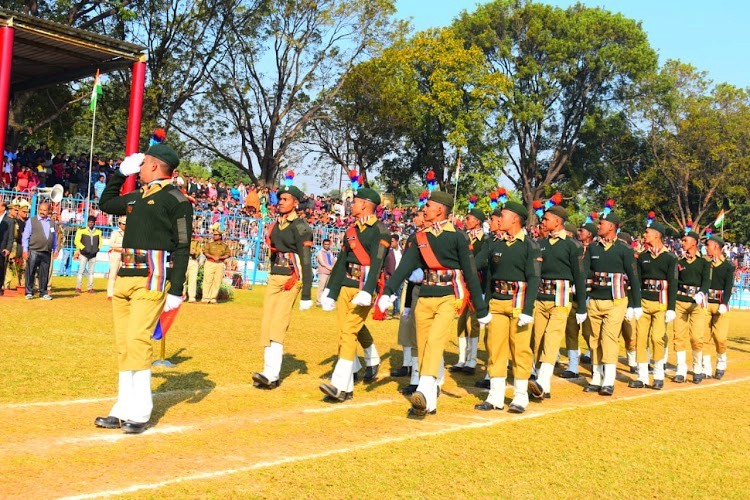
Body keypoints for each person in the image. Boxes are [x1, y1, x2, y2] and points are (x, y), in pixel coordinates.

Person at [94, 142, 192, 434]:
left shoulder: (177, 200)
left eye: (143, 163)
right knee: (125, 343)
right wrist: (117, 175)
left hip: (152, 278)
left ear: (153, 165)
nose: (138, 168)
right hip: (125, 275)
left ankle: (140, 410)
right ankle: (123, 408)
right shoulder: (136, 196)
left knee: (138, 339)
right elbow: (106, 203)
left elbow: (184, 246)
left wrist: (176, 289)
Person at [379, 191, 490, 417]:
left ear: (440, 209)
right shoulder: (421, 237)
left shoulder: (458, 237)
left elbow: (469, 271)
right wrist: (388, 292)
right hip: (425, 297)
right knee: (424, 345)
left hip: (449, 296)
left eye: (428, 206)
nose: (424, 209)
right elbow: (405, 266)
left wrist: (480, 307)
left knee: (436, 341)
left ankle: (423, 389)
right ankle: (429, 401)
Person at [319, 188, 390, 402]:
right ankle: (363, 368)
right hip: (347, 285)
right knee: (346, 331)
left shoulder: (380, 231)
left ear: (366, 204)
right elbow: (342, 261)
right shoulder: (352, 230)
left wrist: (368, 291)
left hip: (363, 288)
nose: (351, 205)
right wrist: (330, 291)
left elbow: (377, 263)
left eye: (355, 201)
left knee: (349, 331)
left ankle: (341, 385)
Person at [474, 201, 539, 413]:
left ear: (515, 219)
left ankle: (520, 396)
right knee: (494, 348)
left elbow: (534, 277)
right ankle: (495, 396)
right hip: (497, 300)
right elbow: (478, 263)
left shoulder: (530, 245)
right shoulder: (494, 243)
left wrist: (528, 310)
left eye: (503, 216)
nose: (498, 219)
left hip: (519, 302)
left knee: (519, 349)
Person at [252, 179, 313, 389]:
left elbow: (306, 260)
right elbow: (273, 252)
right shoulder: (277, 224)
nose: (281, 202)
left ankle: (272, 374)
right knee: (267, 322)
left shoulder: (301, 226)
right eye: (280, 199)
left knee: (278, 324)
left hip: (290, 279)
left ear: (295, 203)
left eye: (286, 199)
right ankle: (266, 369)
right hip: (275, 276)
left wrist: (306, 293)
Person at [528, 200, 588, 400]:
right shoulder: (540, 244)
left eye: (546, 219)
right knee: (537, 339)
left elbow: (579, 276)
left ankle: (543, 382)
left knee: (552, 338)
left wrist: (581, 306)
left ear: (557, 221)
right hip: (540, 297)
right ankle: (535, 374)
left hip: (561, 298)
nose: (542, 222)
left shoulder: (573, 246)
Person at [585, 207, 640, 396]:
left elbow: (633, 277)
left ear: (611, 227)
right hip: (595, 299)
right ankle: (596, 376)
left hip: (616, 301)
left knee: (608, 338)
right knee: (594, 339)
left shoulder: (624, 249)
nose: (598, 226)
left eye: (601, 223)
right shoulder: (592, 247)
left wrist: (636, 304)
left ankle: (608, 379)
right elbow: (586, 272)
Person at [628, 220, 677, 390]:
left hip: (661, 304)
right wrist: (634, 304)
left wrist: (671, 308)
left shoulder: (670, 257)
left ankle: (658, 375)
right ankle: (642, 376)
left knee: (657, 338)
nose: (644, 235)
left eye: (647, 232)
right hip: (644, 303)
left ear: (657, 234)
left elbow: (673, 282)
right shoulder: (642, 257)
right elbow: (637, 282)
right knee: (640, 339)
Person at [450, 207, 488, 375]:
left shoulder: (485, 240)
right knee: (461, 322)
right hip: (462, 284)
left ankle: (472, 360)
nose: (466, 221)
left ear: (477, 221)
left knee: (472, 322)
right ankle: (461, 358)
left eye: (469, 218)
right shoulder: (462, 237)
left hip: (477, 284)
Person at [673, 228, 710, 384]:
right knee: (678, 337)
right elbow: (675, 282)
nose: (683, 242)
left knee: (696, 337)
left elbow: (706, 281)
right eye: (682, 240)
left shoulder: (703, 263)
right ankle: (681, 369)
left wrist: (702, 293)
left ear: (694, 242)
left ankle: (697, 368)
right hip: (680, 301)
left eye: (685, 240)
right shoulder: (679, 262)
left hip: (697, 304)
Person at [561, 216, 596, 378]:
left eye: (582, 231)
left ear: (590, 234)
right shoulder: (574, 248)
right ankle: (573, 365)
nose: (579, 233)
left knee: (589, 333)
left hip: (589, 296)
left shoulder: (596, 250)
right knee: (571, 331)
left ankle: (596, 364)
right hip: (572, 296)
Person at [702, 233, 735, 379]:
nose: (705, 248)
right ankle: (706, 367)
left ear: (716, 246)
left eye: (708, 245)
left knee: (720, 337)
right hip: (706, 303)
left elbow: (728, 286)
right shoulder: (705, 263)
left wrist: (725, 302)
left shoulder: (728, 266)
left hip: (721, 303)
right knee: (703, 337)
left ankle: (721, 362)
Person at [22, 201, 58, 299]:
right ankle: (29, 292)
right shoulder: (31, 221)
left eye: (44, 210)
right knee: (31, 271)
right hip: (34, 250)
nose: (42, 212)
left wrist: (55, 249)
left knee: (44, 273)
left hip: (46, 251)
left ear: (49, 211)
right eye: (40, 210)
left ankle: (43, 293)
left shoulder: (52, 223)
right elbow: (25, 236)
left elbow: (54, 237)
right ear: (38, 210)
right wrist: (25, 250)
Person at [201, 223, 231, 304]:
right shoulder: (209, 244)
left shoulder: (224, 246)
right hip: (210, 262)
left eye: (216, 235)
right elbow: (205, 252)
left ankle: (213, 298)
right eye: (214, 235)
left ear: (220, 236)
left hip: (220, 264)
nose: (214, 236)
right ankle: (205, 298)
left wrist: (220, 258)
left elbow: (228, 254)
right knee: (207, 280)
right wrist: (212, 257)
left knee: (217, 281)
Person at [74, 216, 102, 293]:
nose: (91, 223)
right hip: (83, 254)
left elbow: (100, 242)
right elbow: (76, 241)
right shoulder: (81, 230)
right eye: (89, 222)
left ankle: (90, 288)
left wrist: (97, 249)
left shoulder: (98, 232)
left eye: (92, 222)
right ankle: (78, 287)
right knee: (81, 271)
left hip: (93, 255)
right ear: (87, 222)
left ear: (94, 223)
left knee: (91, 272)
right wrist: (83, 248)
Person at [107, 216, 126, 299]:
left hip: (125, 255)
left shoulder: (129, 234)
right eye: (123, 224)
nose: (124, 226)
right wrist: (122, 245)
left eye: (126, 224)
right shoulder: (115, 233)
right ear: (119, 224)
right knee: (113, 274)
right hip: (116, 254)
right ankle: (110, 293)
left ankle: (120, 293)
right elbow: (111, 244)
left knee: (124, 275)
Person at [185, 230, 204, 303]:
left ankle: (192, 298)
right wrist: (188, 251)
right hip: (184, 260)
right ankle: (182, 296)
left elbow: (199, 252)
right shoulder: (182, 241)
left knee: (192, 280)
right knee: (183, 279)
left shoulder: (196, 242)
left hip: (193, 260)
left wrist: (195, 252)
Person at [316, 238, 335, 306]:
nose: (327, 246)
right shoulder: (320, 253)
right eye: (325, 244)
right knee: (321, 287)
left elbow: (333, 261)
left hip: (330, 273)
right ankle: (319, 302)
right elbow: (322, 263)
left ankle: (325, 301)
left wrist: (333, 268)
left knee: (327, 288)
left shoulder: (330, 253)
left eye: (328, 244)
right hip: (323, 272)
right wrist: (330, 268)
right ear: (323, 245)